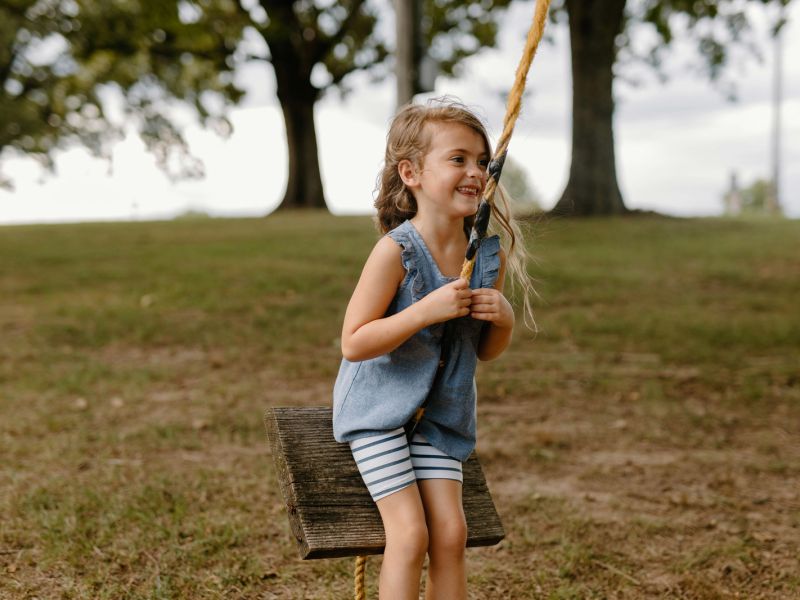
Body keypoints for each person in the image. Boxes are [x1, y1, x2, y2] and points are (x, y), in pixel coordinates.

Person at [332, 97, 535, 600]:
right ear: (412, 173)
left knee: (451, 534)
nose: (475, 172)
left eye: (482, 162)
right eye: (458, 158)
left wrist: (503, 320)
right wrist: (423, 311)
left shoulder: (487, 255)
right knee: (411, 533)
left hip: (443, 417)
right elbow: (354, 342)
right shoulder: (395, 251)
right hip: (378, 413)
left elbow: (484, 352)